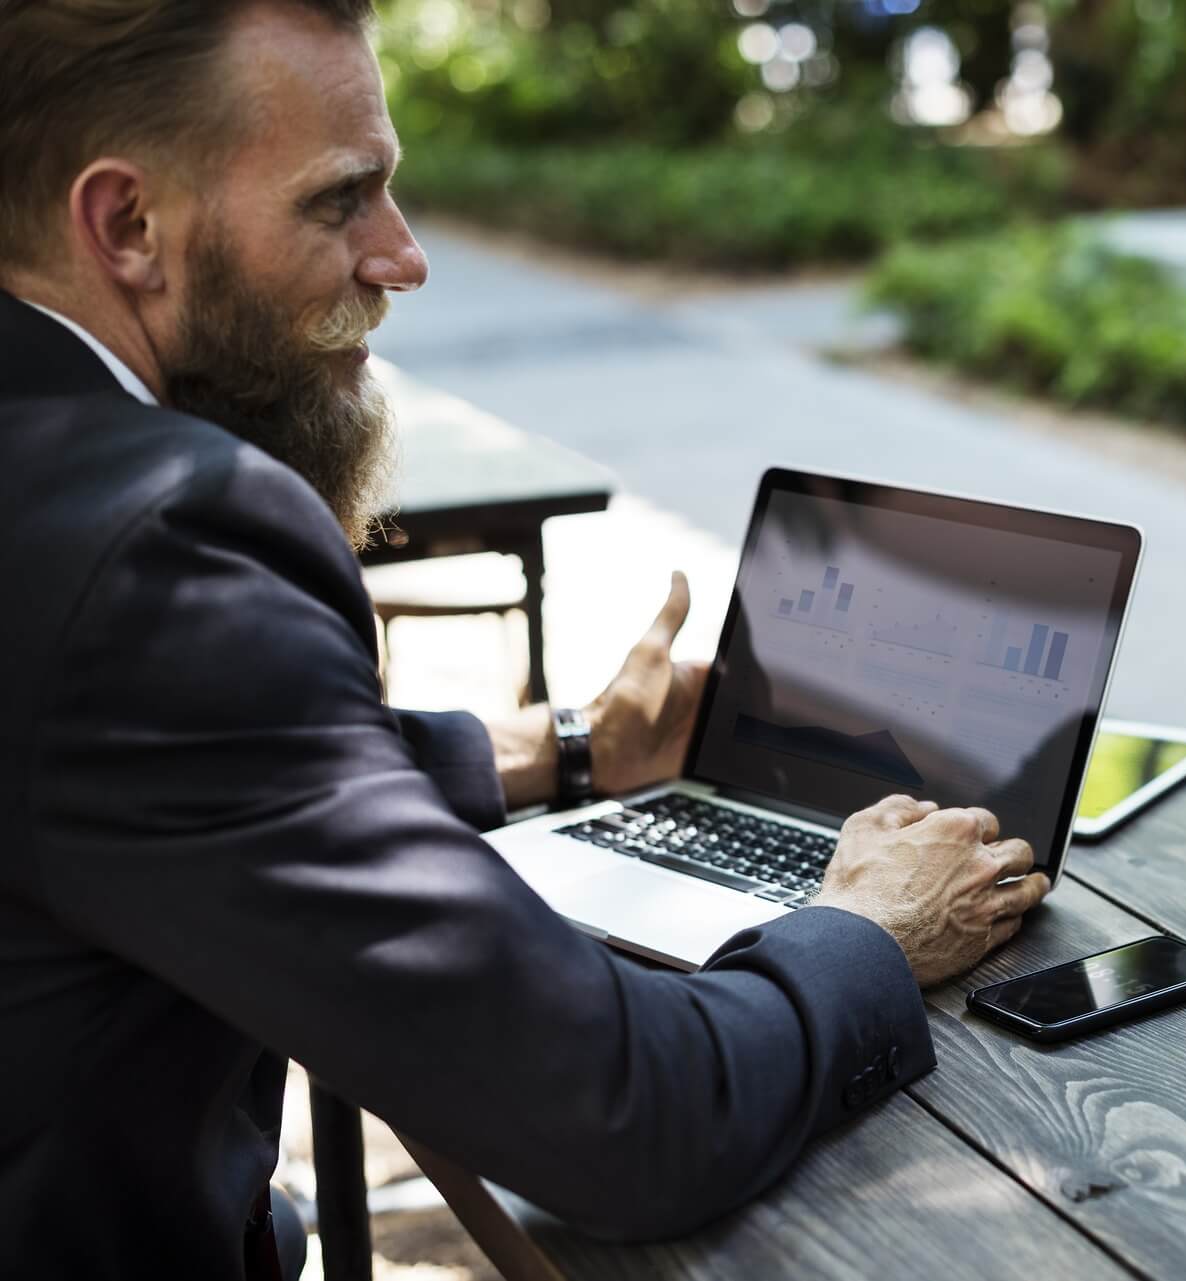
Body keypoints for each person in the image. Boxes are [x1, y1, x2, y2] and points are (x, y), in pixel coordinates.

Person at [0, 2, 1052, 1276]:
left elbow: (129, 763)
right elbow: (629, 1119)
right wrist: (871, 930)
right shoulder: (163, 544)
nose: (403, 257)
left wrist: (566, 749)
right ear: (125, 227)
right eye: (342, 202)